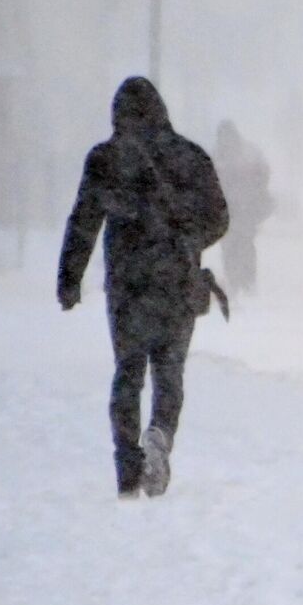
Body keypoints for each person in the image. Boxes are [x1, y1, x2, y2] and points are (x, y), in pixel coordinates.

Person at [59, 77, 228, 498]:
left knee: (128, 372)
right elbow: (219, 217)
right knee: (169, 372)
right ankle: (160, 434)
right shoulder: (189, 157)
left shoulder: (106, 159)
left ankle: (126, 464)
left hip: (128, 285)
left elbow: (84, 220)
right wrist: (187, 240)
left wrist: (70, 276)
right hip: (176, 280)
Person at [213, 119, 274, 296]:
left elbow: (263, 176)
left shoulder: (240, 154)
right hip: (236, 209)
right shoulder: (244, 153)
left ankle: (245, 281)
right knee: (234, 245)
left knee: (242, 244)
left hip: (243, 208)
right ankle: (238, 281)